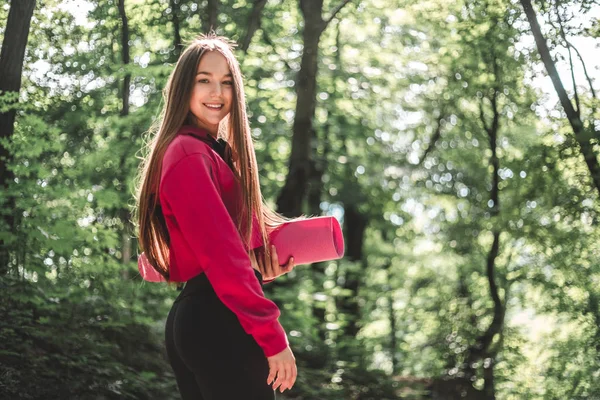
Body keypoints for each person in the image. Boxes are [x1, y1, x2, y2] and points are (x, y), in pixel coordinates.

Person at [134, 34, 299, 399]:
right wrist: (273, 337)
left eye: (226, 82)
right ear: (183, 87)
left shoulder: (209, 152)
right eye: (204, 80)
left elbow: (222, 253)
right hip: (215, 321)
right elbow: (222, 258)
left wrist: (260, 268)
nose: (217, 92)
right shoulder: (190, 154)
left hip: (207, 317)